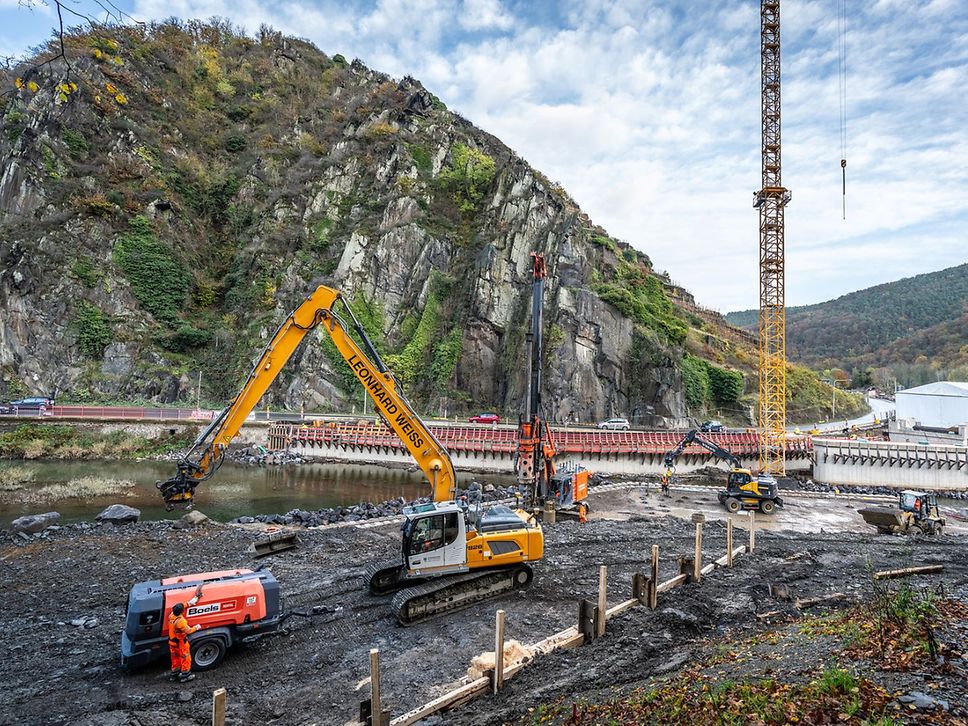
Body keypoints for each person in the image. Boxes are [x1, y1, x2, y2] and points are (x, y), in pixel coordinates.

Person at [169, 584, 203, 682]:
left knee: (175, 659)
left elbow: (180, 607)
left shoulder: (172, 615)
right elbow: (188, 631)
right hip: (180, 643)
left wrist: (190, 602)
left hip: (172, 642)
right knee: (185, 657)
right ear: (181, 612)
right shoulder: (181, 622)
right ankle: (185, 675)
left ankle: (174, 674)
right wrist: (196, 627)